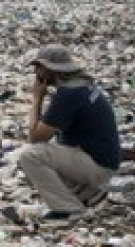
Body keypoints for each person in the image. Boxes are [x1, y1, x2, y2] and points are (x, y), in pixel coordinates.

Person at [17, 44, 121, 221]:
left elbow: (34, 137)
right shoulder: (81, 86)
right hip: (102, 160)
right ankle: (87, 193)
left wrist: (37, 99)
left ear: (51, 69)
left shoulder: (69, 94)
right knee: (50, 150)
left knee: (30, 156)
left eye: (39, 67)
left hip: (98, 166)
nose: (36, 73)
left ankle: (68, 209)